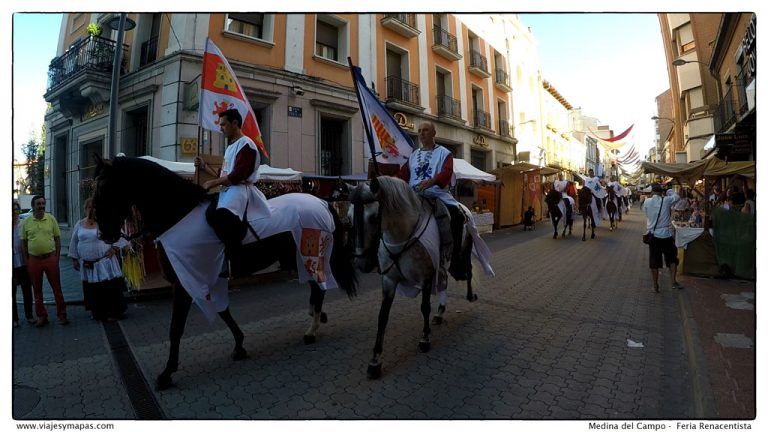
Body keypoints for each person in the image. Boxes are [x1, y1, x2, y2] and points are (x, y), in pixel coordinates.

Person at [195, 108, 271, 278]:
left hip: (240, 190)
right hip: (228, 189)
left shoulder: (247, 144)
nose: (221, 128)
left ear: (235, 123)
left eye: (223, 124)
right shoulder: (231, 146)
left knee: (222, 217)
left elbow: (237, 175)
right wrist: (205, 167)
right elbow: (225, 174)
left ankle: (235, 262)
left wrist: (213, 183)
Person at [397, 121, 466, 279]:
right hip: (413, 195)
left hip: (436, 194)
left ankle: (455, 260)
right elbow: (402, 176)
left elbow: (447, 172)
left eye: (426, 130)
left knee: (457, 216)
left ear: (434, 133)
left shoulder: (445, 153)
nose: (421, 133)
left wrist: (433, 181)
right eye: (420, 130)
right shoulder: (413, 155)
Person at [69, 198, 129, 322]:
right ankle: (97, 312)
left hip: (104, 263)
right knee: (93, 290)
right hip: (88, 265)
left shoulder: (105, 223)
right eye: (89, 207)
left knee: (108, 288)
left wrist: (114, 249)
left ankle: (113, 312)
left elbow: (122, 237)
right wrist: (74, 258)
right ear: (85, 209)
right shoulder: (79, 224)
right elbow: (74, 242)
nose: (92, 210)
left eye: (94, 207)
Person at [20, 195, 68, 326]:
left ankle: (62, 314)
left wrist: (57, 257)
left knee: (57, 288)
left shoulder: (51, 219)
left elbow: (58, 239)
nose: (41, 206)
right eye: (38, 204)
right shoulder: (27, 222)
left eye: (42, 203)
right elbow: (23, 243)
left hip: (50, 258)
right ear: (33, 206)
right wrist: (27, 260)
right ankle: (42, 316)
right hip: (34, 261)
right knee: (37, 289)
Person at [642, 183, 681, 293]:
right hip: (666, 235)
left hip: (653, 235)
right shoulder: (667, 200)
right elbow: (677, 197)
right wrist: (669, 191)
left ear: (652, 192)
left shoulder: (646, 201)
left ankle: (655, 285)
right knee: (672, 258)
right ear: (661, 192)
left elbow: (647, 215)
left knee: (654, 261)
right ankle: (673, 282)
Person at [13, 200, 34, 327]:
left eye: (16, 209)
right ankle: (14, 319)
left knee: (27, 290)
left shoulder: (24, 224)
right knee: (12, 293)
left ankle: (29, 316)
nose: (14, 212)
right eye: (12, 209)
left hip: (24, 261)